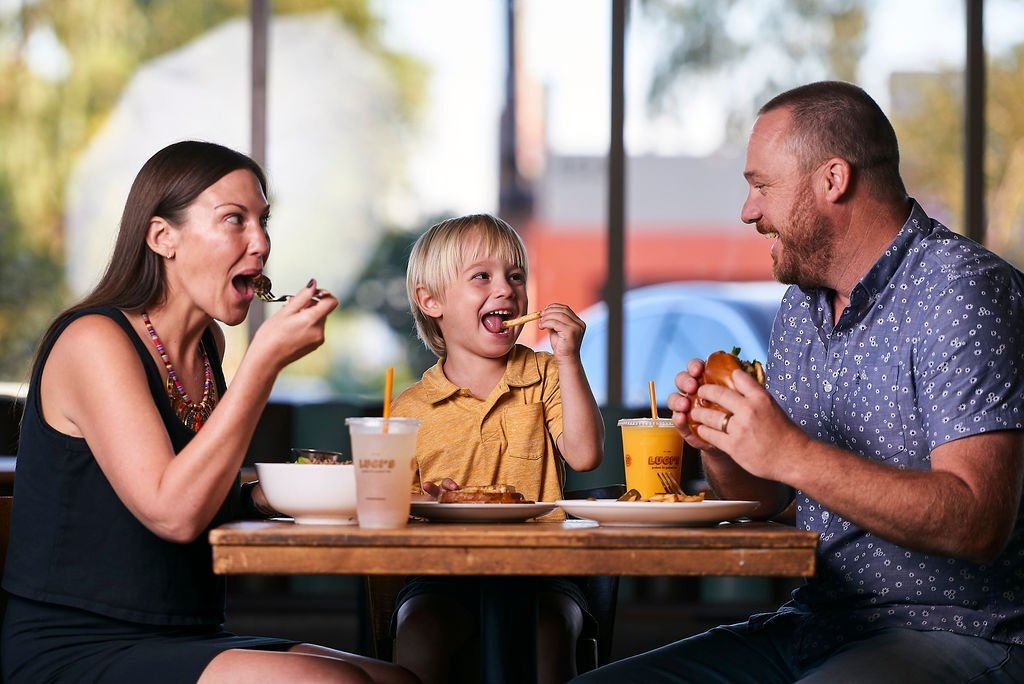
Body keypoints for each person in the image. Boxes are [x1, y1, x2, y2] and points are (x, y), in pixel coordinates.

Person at [573, 81, 1024, 683]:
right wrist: (719, 441)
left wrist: (791, 451)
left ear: (832, 179)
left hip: (956, 629)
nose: (747, 211)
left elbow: (976, 520)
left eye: (761, 186)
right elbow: (768, 496)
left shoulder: (962, 292)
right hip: (815, 624)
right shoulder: (800, 309)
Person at [0, 141, 417, 684]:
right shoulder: (94, 341)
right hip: (78, 644)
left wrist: (262, 495)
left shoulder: (209, 347)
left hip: (186, 633)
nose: (261, 243)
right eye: (233, 220)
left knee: (398, 681)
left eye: (263, 222)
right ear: (161, 237)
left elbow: (194, 480)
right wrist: (264, 364)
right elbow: (173, 512)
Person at [389, 213, 605, 683]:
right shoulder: (410, 407)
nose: (506, 289)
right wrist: (425, 497)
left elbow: (585, 455)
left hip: (543, 573)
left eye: (515, 276)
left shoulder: (546, 374)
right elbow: (390, 508)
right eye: (482, 276)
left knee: (546, 633)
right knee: (420, 632)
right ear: (431, 300)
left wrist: (568, 358)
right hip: (439, 576)